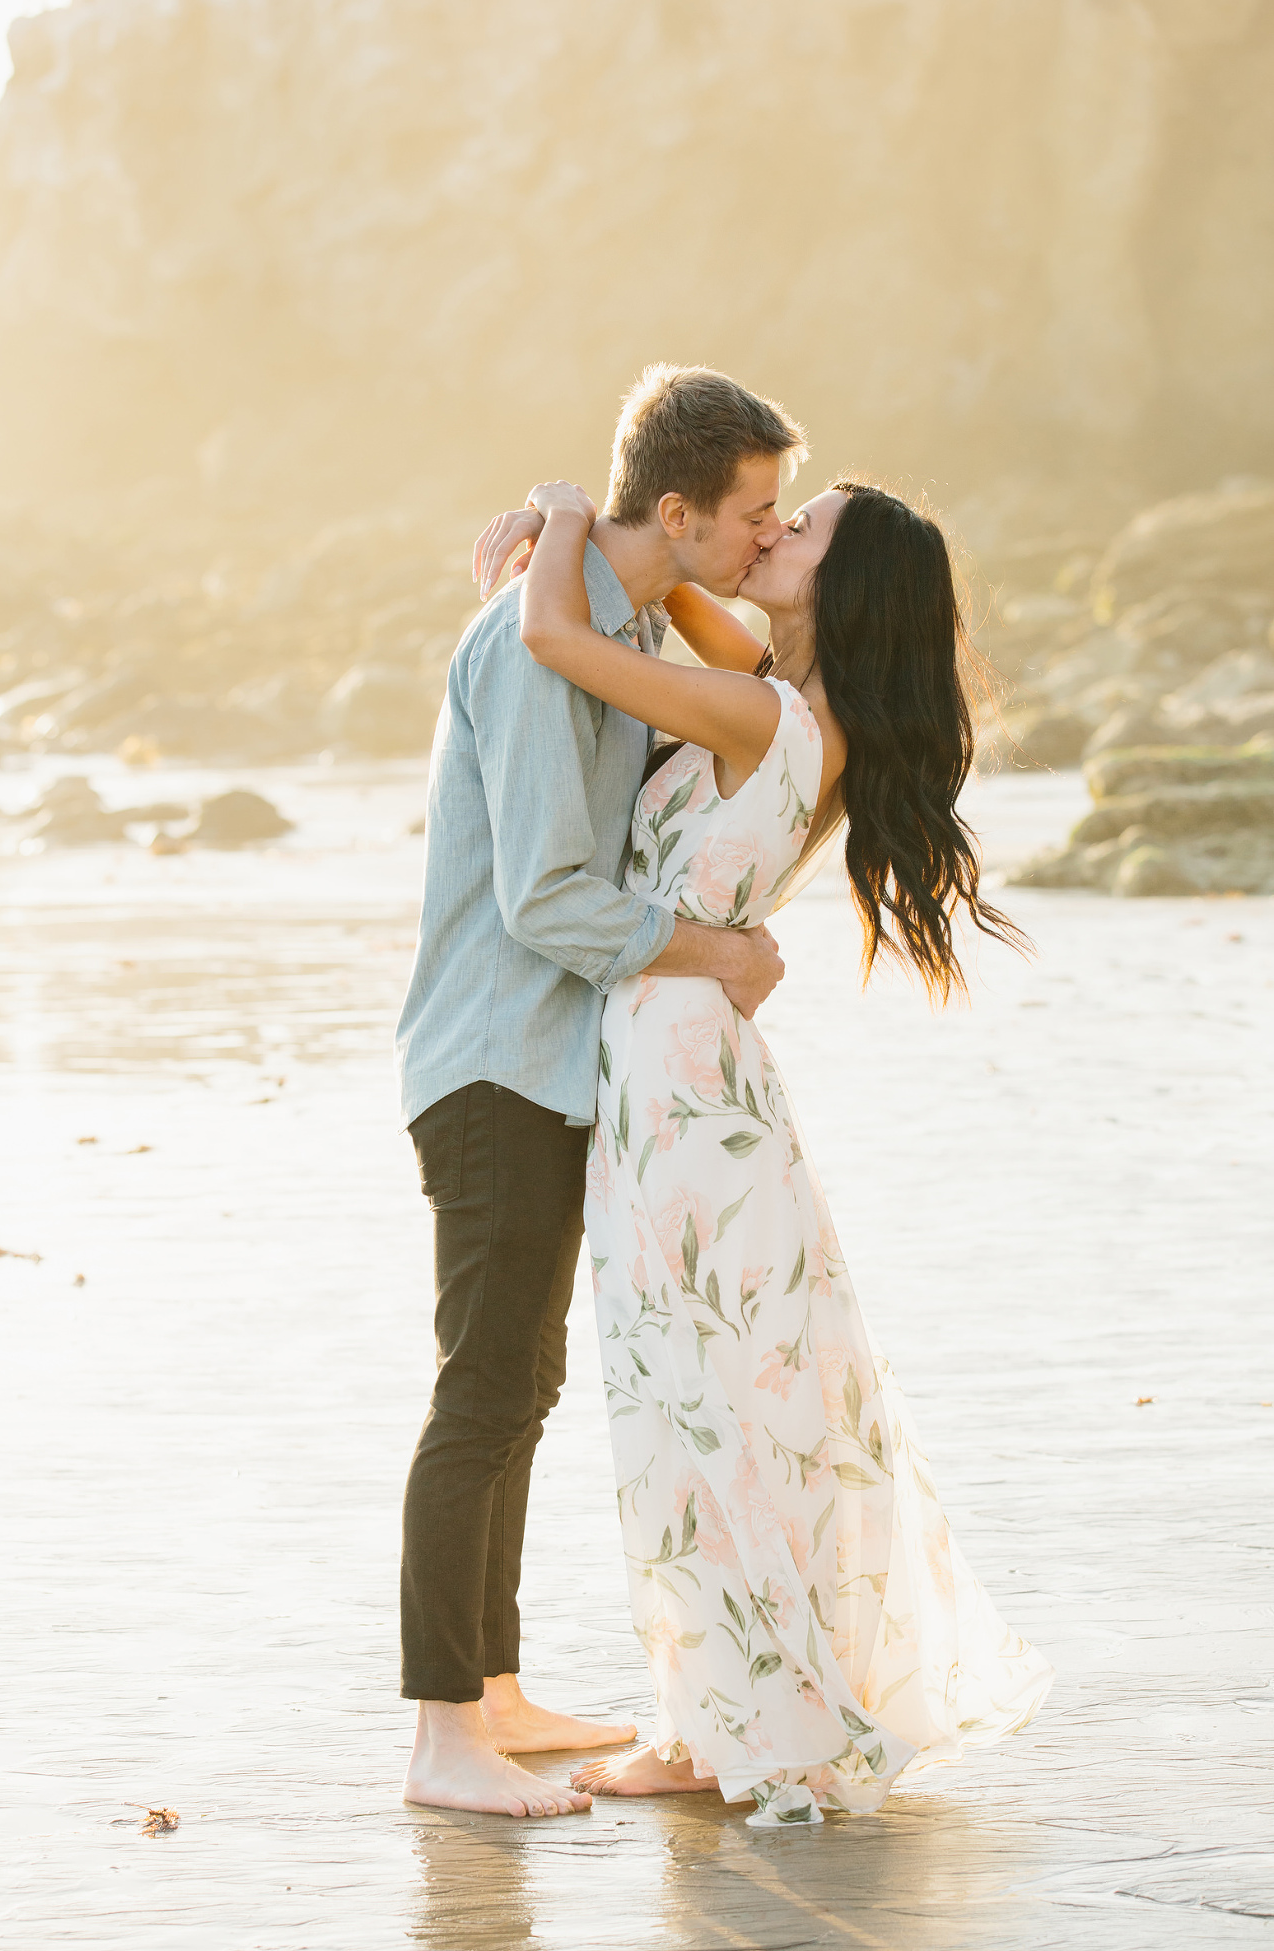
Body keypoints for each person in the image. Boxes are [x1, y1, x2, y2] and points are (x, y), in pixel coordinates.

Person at [472, 470, 1054, 1826]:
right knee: (724, 1384)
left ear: (842, 583)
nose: (772, 533)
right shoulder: (798, 703)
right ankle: (725, 1710)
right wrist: (674, 549)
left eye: (802, 530)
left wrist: (564, 515)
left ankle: (722, 1726)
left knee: (689, 1389)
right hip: (694, 1067)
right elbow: (689, 601)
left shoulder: (762, 710)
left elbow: (556, 641)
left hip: (675, 1072)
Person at [395, 365, 811, 1819]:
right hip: (498, 1054)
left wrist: (562, 512)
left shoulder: (609, 621)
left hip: (559, 1062)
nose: (765, 541)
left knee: (526, 1379)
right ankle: (442, 1735)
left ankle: (495, 1693)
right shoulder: (533, 646)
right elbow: (544, 897)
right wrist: (709, 947)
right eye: (752, 515)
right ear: (680, 509)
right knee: (483, 1388)